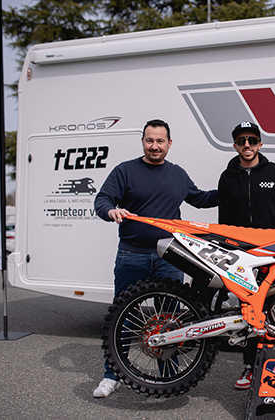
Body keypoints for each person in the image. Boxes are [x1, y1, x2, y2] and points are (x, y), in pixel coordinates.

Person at [92, 118, 218, 398]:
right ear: (142, 142)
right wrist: (111, 211)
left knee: (169, 321)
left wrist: (234, 189)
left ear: (169, 144)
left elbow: (200, 199)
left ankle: (169, 376)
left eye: (160, 141)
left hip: (170, 257)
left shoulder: (177, 174)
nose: (155, 146)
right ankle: (112, 375)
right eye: (150, 140)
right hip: (132, 255)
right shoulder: (125, 171)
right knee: (123, 318)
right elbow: (102, 200)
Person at [218, 121, 275, 390]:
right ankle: (250, 367)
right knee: (249, 313)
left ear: (260, 144)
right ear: (235, 146)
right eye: (241, 140)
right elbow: (223, 222)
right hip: (244, 257)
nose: (247, 145)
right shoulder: (227, 177)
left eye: (252, 140)